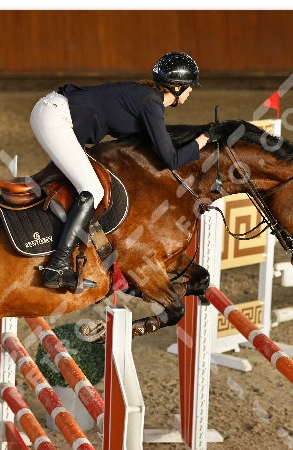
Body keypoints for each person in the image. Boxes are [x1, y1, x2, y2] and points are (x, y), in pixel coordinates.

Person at [31, 51, 211, 291]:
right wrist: (201, 141)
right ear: (177, 87)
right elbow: (171, 158)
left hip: (55, 112)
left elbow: (156, 146)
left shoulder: (148, 98)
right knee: (92, 189)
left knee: (88, 184)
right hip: (55, 117)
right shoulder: (152, 103)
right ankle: (57, 267)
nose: (191, 92)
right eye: (190, 87)